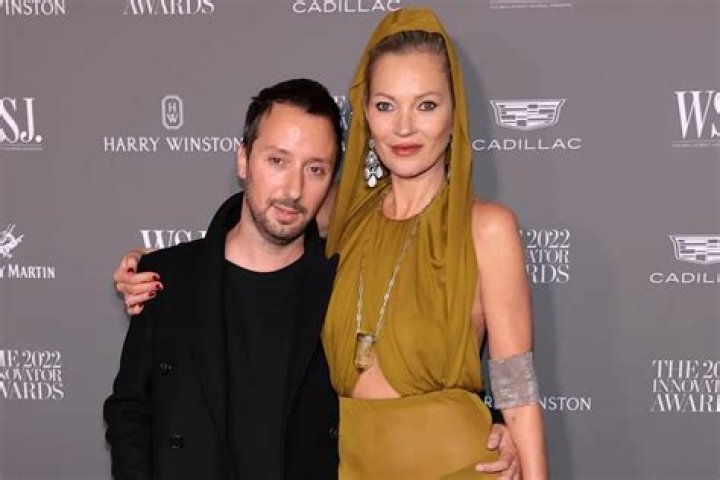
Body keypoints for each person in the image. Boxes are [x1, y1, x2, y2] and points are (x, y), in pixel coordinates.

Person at [113, 8, 535, 480]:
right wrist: (153, 265)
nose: (404, 127)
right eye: (386, 105)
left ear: (455, 113)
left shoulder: (473, 229)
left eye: (426, 105)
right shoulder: (343, 220)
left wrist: (494, 427)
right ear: (366, 113)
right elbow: (265, 216)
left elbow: (509, 389)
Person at [104, 79, 344, 480]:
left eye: (315, 169)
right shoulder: (167, 279)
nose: (293, 189)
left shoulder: (344, 285)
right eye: (277, 160)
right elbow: (130, 411)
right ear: (243, 160)